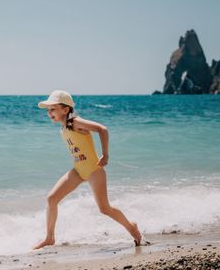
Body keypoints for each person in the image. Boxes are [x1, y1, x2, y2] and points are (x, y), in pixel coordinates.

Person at [34, 90, 142, 250]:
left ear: (65, 109)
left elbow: (102, 129)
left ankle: (131, 227)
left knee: (104, 208)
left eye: (53, 109)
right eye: (48, 110)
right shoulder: (63, 127)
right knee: (51, 199)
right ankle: (49, 238)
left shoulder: (75, 122)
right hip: (78, 170)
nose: (49, 113)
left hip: (94, 171)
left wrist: (105, 154)